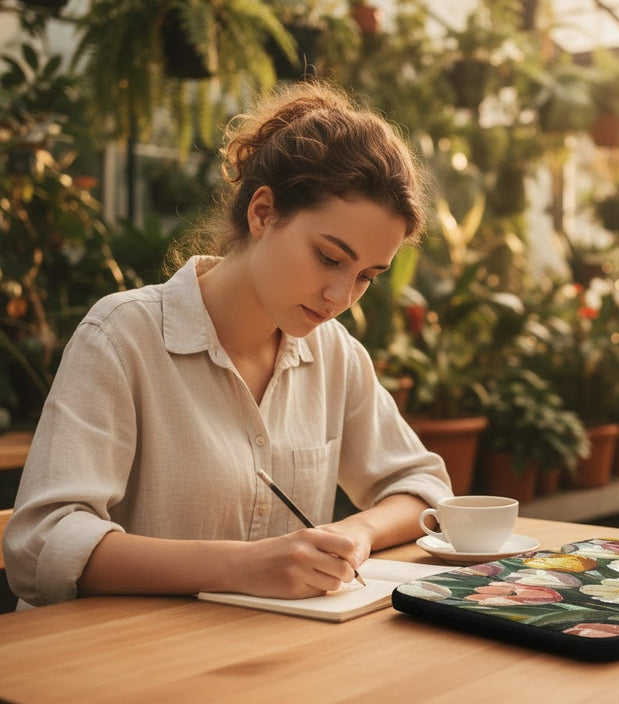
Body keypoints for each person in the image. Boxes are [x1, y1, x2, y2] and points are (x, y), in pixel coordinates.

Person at [3, 81, 452, 607]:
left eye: (366, 276)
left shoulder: (335, 355)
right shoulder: (122, 336)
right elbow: (42, 544)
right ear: (262, 212)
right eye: (330, 257)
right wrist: (243, 566)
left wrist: (357, 535)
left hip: (260, 662)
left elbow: (423, 488)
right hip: (119, 665)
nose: (339, 296)